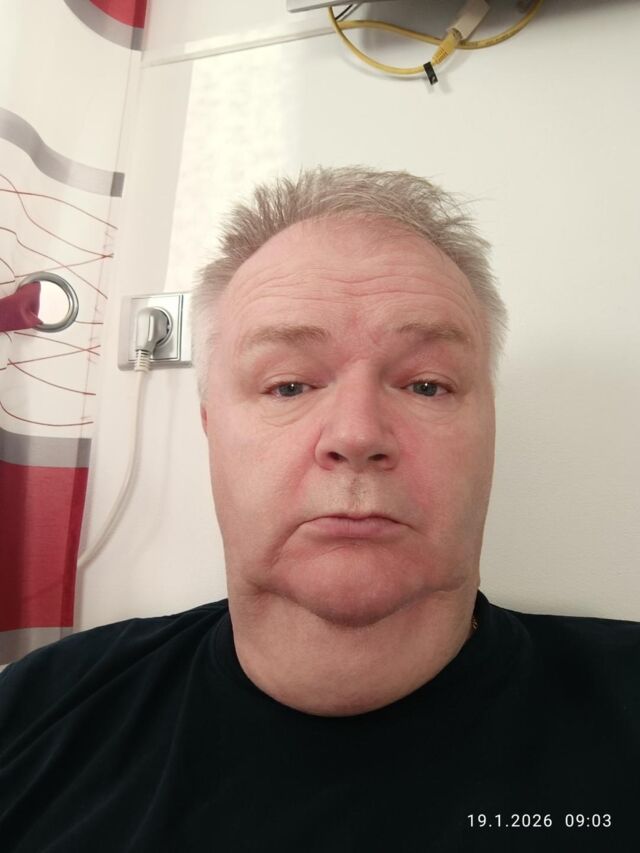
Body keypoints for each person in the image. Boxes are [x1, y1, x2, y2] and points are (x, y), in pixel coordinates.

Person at [0, 166, 638, 852]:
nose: (356, 434)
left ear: (490, 429)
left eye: (427, 385)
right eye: (288, 385)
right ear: (211, 427)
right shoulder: (34, 710)